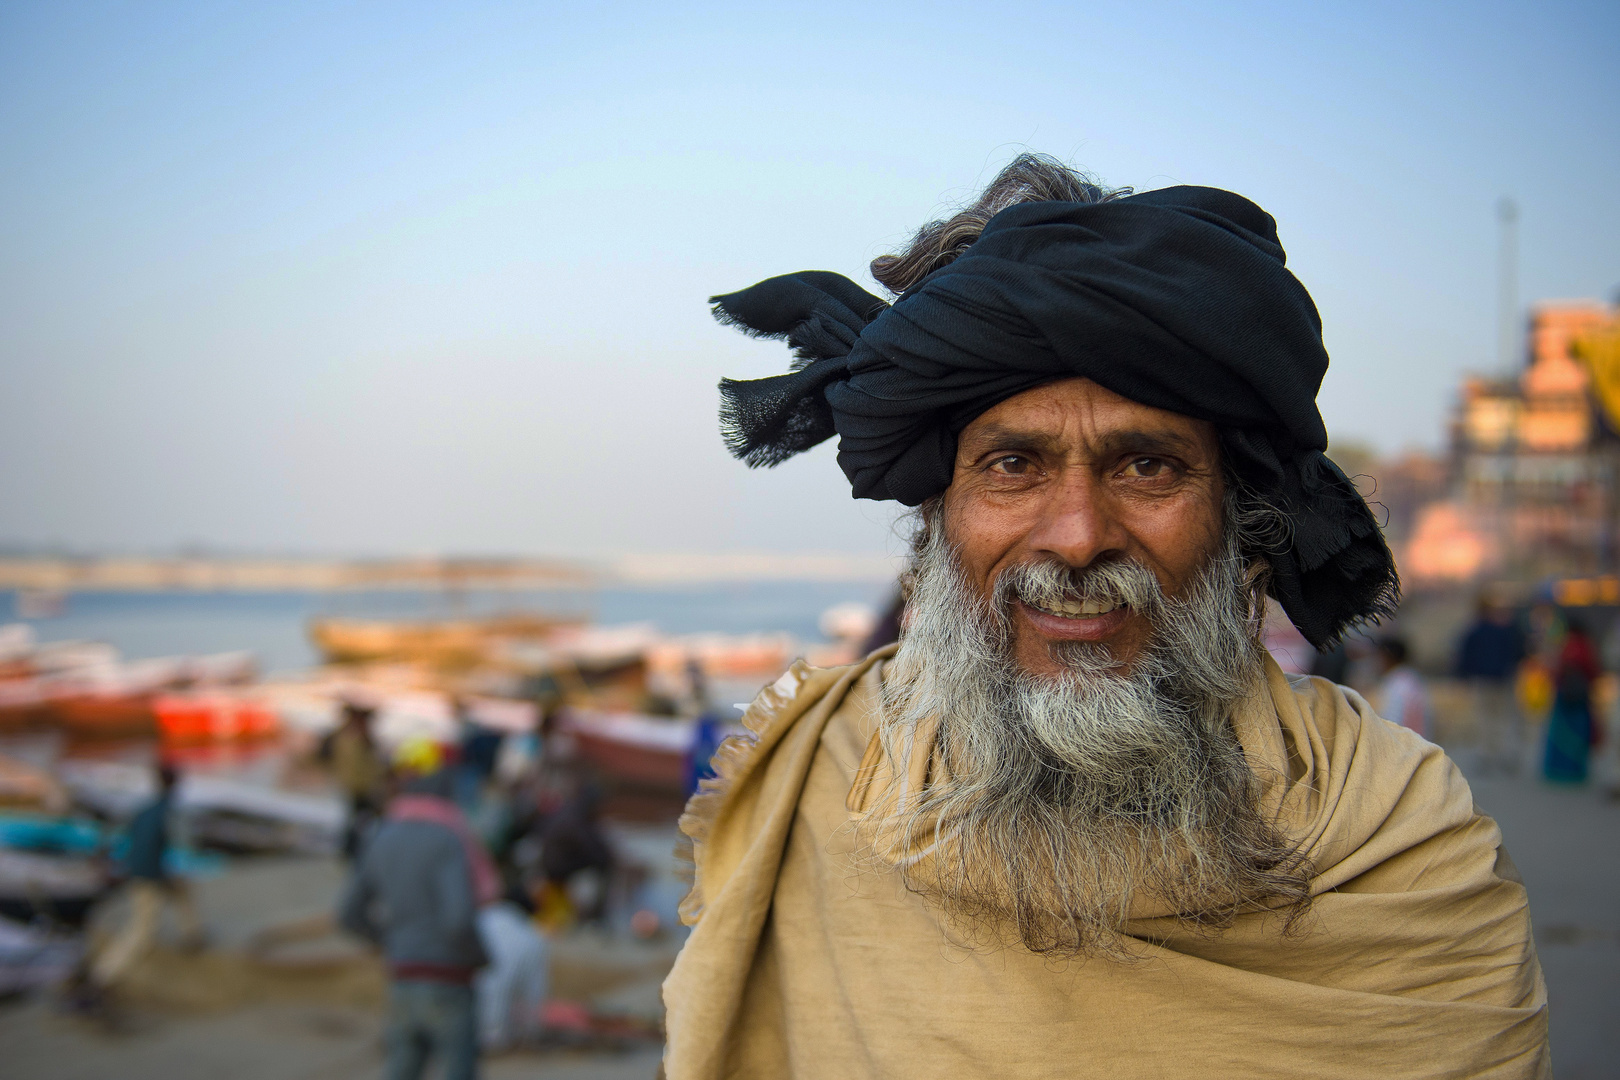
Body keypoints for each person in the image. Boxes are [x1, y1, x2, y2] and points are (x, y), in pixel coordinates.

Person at [663, 154, 1547, 1078]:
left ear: (1241, 521)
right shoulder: (820, 783)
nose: (1079, 538)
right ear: (937, 521)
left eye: (1148, 467)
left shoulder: (1397, 839)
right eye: (1012, 466)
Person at [340, 740, 498, 1080]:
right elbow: (457, 920)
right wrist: (481, 957)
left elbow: (348, 915)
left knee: (402, 1070)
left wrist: (393, 941)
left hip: (402, 976)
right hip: (450, 979)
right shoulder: (448, 836)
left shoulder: (382, 836)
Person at [77, 763, 205, 1003]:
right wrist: (179, 869)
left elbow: (123, 836)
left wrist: (110, 860)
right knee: (141, 930)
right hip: (150, 875)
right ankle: (102, 977)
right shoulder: (169, 810)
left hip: (140, 870)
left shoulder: (145, 809)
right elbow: (181, 845)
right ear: (177, 783)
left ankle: (193, 935)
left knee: (182, 893)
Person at [1456, 595, 1528, 773]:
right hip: (1504, 678)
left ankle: (1487, 755)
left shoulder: (1475, 630)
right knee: (1505, 718)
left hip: (1483, 679)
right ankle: (1506, 755)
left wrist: (1464, 675)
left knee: (1485, 719)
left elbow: (1466, 655)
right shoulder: (1506, 629)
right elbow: (1519, 651)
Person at [1542, 615, 1602, 784]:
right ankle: (1575, 771)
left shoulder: (1566, 645)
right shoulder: (1586, 646)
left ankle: (1559, 769)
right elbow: (1594, 669)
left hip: (1565, 695)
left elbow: (1557, 669)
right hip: (1580, 697)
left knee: (1563, 732)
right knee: (1577, 733)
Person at [328, 700, 386, 860]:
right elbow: (363, 766)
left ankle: (351, 850)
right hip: (360, 786)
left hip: (355, 784)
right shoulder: (356, 738)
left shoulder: (344, 736)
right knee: (363, 819)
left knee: (356, 819)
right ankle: (354, 850)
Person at [1375, 636, 1431, 739]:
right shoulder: (1414, 679)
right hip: (1419, 744)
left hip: (1404, 746)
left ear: (1388, 658)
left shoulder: (1396, 685)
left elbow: (1393, 724)